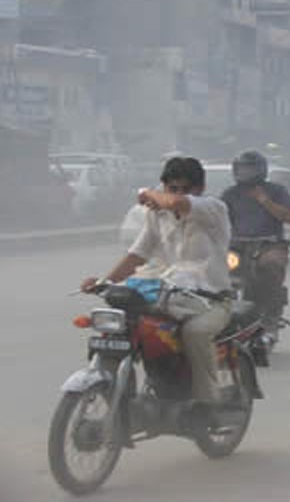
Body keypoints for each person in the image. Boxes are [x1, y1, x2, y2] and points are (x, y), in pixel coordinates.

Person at [80, 157, 233, 414]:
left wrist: (147, 193)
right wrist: (103, 282)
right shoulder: (157, 215)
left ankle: (207, 402)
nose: (179, 194)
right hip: (170, 294)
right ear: (164, 186)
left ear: (200, 188)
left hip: (211, 300)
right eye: (172, 187)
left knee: (194, 333)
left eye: (186, 188)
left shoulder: (213, 209)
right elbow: (137, 255)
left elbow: (176, 203)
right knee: (133, 326)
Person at [221, 151, 290, 337]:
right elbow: (218, 220)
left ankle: (271, 315)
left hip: (268, 244)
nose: (245, 172)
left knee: (270, 265)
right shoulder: (230, 194)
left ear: (260, 170)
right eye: (242, 168)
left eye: (250, 168)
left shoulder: (276, 191)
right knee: (215, 274)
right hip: (237, 246)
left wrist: (264, 201)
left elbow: (289, 217)